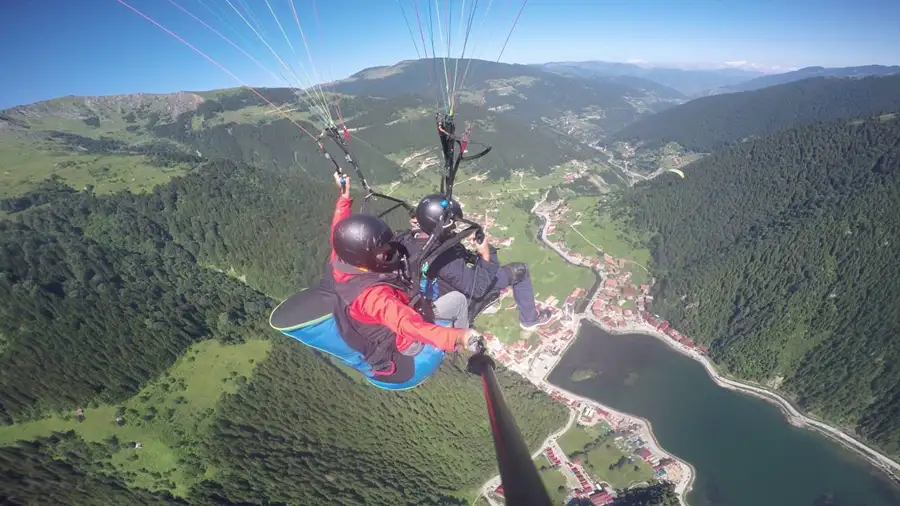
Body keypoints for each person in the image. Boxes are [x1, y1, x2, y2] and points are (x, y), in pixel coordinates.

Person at [326, 174, 478, 384]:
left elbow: (339, 229)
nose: (391, 255)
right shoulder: (374, 297)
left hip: (373, 320)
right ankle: (461, 349)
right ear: (364, 257)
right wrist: (457, 337)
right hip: (404, 341)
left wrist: (344, 197)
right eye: (385, 254)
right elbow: (408, 324)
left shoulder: (343, 258)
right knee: (459, 301)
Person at [399, 193, 553, 331]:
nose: (453, 227)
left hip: (436, 292)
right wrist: (486, 252)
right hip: (460, 295)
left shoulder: (407, 240)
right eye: (451, 224)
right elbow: (477, 288)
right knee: (521, 270)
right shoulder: (440, 256)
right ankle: (529, 320)